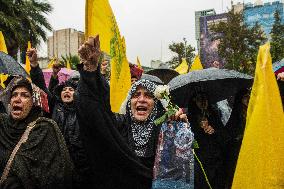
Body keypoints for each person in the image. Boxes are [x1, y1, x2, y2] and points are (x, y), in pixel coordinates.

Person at [76, 35, 188, 188]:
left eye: (148, 95)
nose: (141, 99)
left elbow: (180, 171)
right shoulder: (117, 124)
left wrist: (182, 132)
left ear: (156, 104)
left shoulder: (167, 129)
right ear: (129, 103)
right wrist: (90, 70)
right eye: (136, 95)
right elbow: (93, 113)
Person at [26, 49, 92, 188]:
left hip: (82, 170)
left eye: (71, 90)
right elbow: (41, 87)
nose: (67, 91)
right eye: (64, 90)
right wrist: (34, 65)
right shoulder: (54, 106)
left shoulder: (84, 110)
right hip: (56, 166)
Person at [0, 76, 73, 188]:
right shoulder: (2, 125)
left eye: (25, 95)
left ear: (34, 103)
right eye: (14, 95)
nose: (17, 99)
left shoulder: (44, 129)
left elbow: (57, 175)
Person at [188, 92, 226, 189]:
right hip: (201, 160)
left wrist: (213, 130)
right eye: (199, 99)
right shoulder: (190, 119)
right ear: (194, 101)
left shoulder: (213, 114)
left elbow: (223, 135)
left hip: (217, 158)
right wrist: (199, 130)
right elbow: (190, 141)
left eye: (205, 98)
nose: (203, 102)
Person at [223, 89, 250, 189]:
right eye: (245, 97)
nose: (248, 98)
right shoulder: (236, 114)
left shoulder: (252, 111)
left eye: (248, 95)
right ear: (240, 99)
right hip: (237, 151)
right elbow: (231, 133)